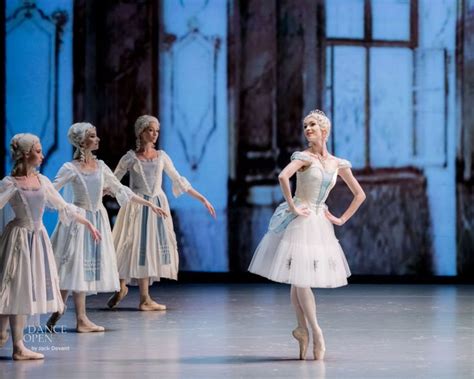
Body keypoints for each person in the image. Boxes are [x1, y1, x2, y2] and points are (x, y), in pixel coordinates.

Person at [248, 110, 366, 360]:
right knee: (301, 280)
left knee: (298, 278)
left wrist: (341, 218)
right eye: (305, 125)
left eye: (312, 124)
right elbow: (283, 176)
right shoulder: (304, 157)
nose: (307, 129)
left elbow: (360, 194)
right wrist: (292, 206)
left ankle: (302, 329)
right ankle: (316, 331)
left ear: (324, 130)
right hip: (300, 221)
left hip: (319, 223)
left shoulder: (337, 163)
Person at [46, 123, 166, 332]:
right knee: (73, 264)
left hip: (98, 219)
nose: (98, 139)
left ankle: (62, 307)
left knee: (78, 267)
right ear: (82, 142)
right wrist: (65, 208)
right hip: (79, 220)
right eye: (93, 136)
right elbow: (51, 190)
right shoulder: (70, 168)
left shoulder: (101, 166)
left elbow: (121, 189)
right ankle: (78, 317)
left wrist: (149, 204)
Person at [0, 133, 101, 360]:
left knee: (24, 290)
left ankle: (18, 346)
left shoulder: (42, 181)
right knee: (11, 287)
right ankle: (6, 334)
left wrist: (87, 224)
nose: (42, 155)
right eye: (38, 151)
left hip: (37, 240)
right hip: (18, 239)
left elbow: (63, 205)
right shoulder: (10, 183)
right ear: (26, 154)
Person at [107, 115, 216, 311]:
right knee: (129, 245)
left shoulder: (162, 157)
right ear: (141, 132)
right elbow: (113, 182)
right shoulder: (130, 157)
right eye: (151, 130)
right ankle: (122, 286)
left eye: (157, 131)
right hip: (136, 207)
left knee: (148, 249)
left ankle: (144, 298)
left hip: (157, 206)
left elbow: (179, 180)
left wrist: (203, 199)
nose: (155, 134)